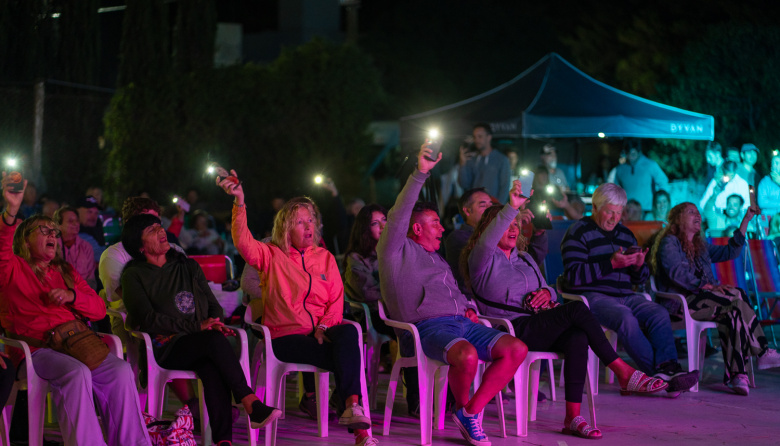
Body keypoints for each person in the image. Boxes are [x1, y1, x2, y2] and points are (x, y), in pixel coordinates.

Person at [463, 181, 667, 439]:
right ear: (489, 230)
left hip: (539, 323)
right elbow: (488, 240)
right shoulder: (482, 259)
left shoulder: (525, 258)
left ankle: (572, 417)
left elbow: (550, 288)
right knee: (578, 308)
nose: (513, 229)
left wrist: (546, 293)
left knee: (577, 337)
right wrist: (512, 208)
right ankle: (622, 371)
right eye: (506, 225)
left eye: (516, 225)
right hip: (511, 328)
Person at [378, 143, 527, 446]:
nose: (442, 228)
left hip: (462, 323)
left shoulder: (438, 258)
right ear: (415, 229)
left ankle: (468, 412)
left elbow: (455, 292)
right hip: (424, 328)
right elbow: (398, 215)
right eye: (435, 223)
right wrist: (420, 173)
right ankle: (466, 411)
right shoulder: (395, 251)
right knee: (467, 355)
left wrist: (468, 305)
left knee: (516, 349)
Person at [217, 173, 377, 446]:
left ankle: (352, 409)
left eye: (311, 220)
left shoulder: (324, 257)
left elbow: (336, 300)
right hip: (285, 337)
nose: (308, 227)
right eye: (300, 222)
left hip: (320, 330)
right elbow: (243, 242)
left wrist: (323, 327)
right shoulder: (271, 254)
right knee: (346, 357)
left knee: (350, 333)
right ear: (285, 227)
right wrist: (239, 202)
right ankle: (359, 429)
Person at [0, 175, 150, 446]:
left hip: (76, 342)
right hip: (36, 351)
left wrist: (72, 296)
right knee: (76, 372)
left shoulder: (65, 272)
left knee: (121, 372)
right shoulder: (13, 268)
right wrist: (11, 211)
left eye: (54, 232)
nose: (52, 236)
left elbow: (98, 310)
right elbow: (1, 248)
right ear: (24, 240)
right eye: (44, 231)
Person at [120, 214, 281, 445]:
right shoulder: (134, 275)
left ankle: (223, 441)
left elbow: (212, 304)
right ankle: (250, 402)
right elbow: (147, 319)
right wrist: (198, 326)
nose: (161, 231)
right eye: (151, 230)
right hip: (166, 347)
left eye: (159, 226)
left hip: (199, 342)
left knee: (211, 367)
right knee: (212, 341)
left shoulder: (187, 266)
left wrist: (214, 320)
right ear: (140, 246)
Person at [560, 183, 698, 395]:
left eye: (618, 213)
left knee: (658, 312)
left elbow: (640, 279)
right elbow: (573, 277)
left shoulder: (625, 234)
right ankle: (660, 376)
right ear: (595, 208)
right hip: (592, 297)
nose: (614, 218)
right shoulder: (578, 232)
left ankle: (667, 369)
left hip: (625, 294)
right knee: (625, 317)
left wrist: (638, 265)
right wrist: (611, 264)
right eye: (609, 212)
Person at [651, 202, 780, 395]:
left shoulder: (700, 245)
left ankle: (738, 376)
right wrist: (707, 286)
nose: (698, 215)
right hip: (681, 304)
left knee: (736, 304)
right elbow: (676, 272)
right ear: (677, 219)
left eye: (698, 212)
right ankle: (758, 355)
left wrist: (745, 220)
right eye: (691, 212)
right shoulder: (670, 242)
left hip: (704, 301)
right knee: (735, 302)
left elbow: (731, 252)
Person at [98, 197, 199, 417]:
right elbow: (128, 297)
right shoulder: (114, 255)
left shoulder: (173, 250)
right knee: (162, 332)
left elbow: (189, 288)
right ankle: (195, 408)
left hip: (176, 318)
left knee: (208, 336)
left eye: (156, 222)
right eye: (146, 221)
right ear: (131, 223)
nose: (155, 228)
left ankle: (206, 409)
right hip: (132, 321)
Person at [458, 123, 511, 203]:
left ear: (489, 137)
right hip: (475, 208)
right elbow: (464, 184)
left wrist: (499, 209)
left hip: (493, 208)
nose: (476, 140)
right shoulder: (472, 159)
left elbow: (505, 187)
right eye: (475, 137)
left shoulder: (501, 159)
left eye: (480, 136)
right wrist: (463, 164)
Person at [613, 143, 669, 211]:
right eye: (628, 154)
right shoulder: (620, 169)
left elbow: (663, 182)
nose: (630, 157)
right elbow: (616, 189)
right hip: (628, 211)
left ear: (639, 153)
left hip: (647, 209)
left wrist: (659, 203)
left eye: (633, 154)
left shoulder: (650, 165)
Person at [700, 161, 750, 233]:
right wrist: (715, 193)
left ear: (735, 171)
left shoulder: (743, 184)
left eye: (732, 174)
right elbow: (703, 204)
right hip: (719, 218)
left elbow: (747, 205)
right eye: (727, 174)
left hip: (737, 219)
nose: (729, 177)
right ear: (723, 170)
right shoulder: (716, 182)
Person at [54, 206, 97, 290]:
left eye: (77, 221)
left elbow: (92, 281)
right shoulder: (53, 247)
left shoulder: (86, 247)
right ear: (58, 225)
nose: (75, 224)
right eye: (70, 221)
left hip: (83, 296)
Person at [76, 195, 105, 263]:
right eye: (89, 212)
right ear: (77, 212)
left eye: (96, 213)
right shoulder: (74, 233)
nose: (93, 216)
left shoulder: (98, 228)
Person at [757, 153, 780, 217]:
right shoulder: (764, 182)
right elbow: (762, 203)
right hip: (768, 218)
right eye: (772, 163)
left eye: (777, 163)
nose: (773, 166)